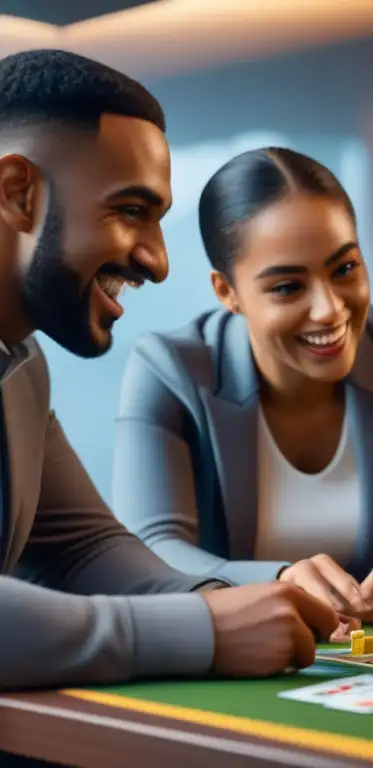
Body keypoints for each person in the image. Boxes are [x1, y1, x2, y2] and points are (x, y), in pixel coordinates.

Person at [0, 49, 338, 692]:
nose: (157, 262)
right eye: (131, 210)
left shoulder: (20, 365)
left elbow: (84, 551)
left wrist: (245, 595)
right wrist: (201, 630)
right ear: (19, 193)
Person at [111, 147, 373, 638]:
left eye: (344, 269)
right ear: (226, 291)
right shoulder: (168, 369)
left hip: (372, 661)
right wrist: (275, 581)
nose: (328, 309)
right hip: (238, 656)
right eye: (287, 287)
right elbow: (149, 549)